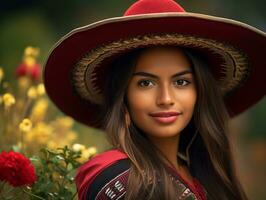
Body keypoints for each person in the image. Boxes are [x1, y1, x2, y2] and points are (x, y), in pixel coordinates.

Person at [43, 0, 266, 199]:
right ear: (124, 96)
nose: (166, 98)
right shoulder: (113, 175)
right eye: (145, 83)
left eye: (181, 82)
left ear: (200, 92)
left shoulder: (210, 179)